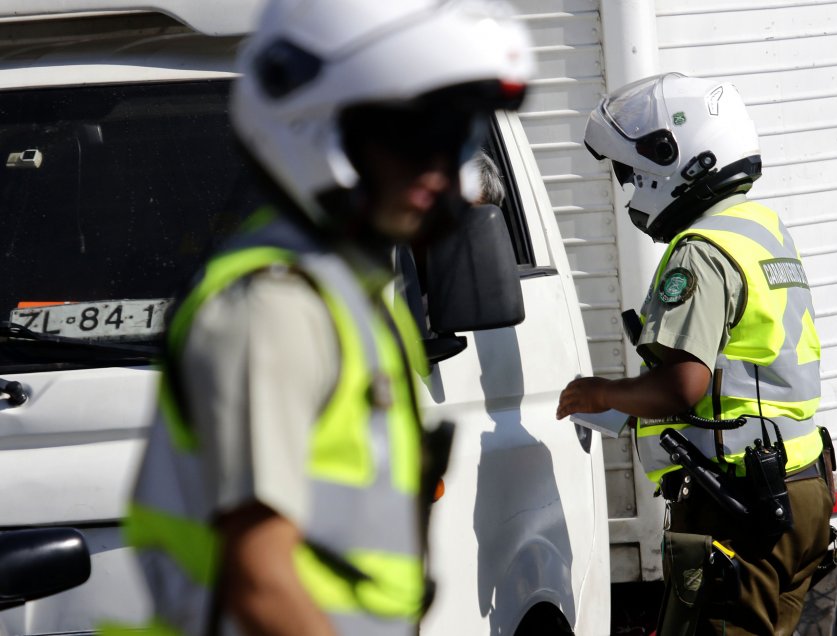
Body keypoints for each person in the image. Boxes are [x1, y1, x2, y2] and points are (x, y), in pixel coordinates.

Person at [103, 1, 532, 635]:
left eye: (457, 137)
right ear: (318, 124)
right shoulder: (275, 307)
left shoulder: (346, 298)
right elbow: (260, 580)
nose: (438, 169)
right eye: (414, 134)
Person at [557, 73, 834, 636]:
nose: (632, 187)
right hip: (802, 489)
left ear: (679, 159)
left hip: (738, 500)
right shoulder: (761, 229)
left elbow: (685, 385)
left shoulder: (699, 252)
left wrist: (600, 393)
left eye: (631, 173)